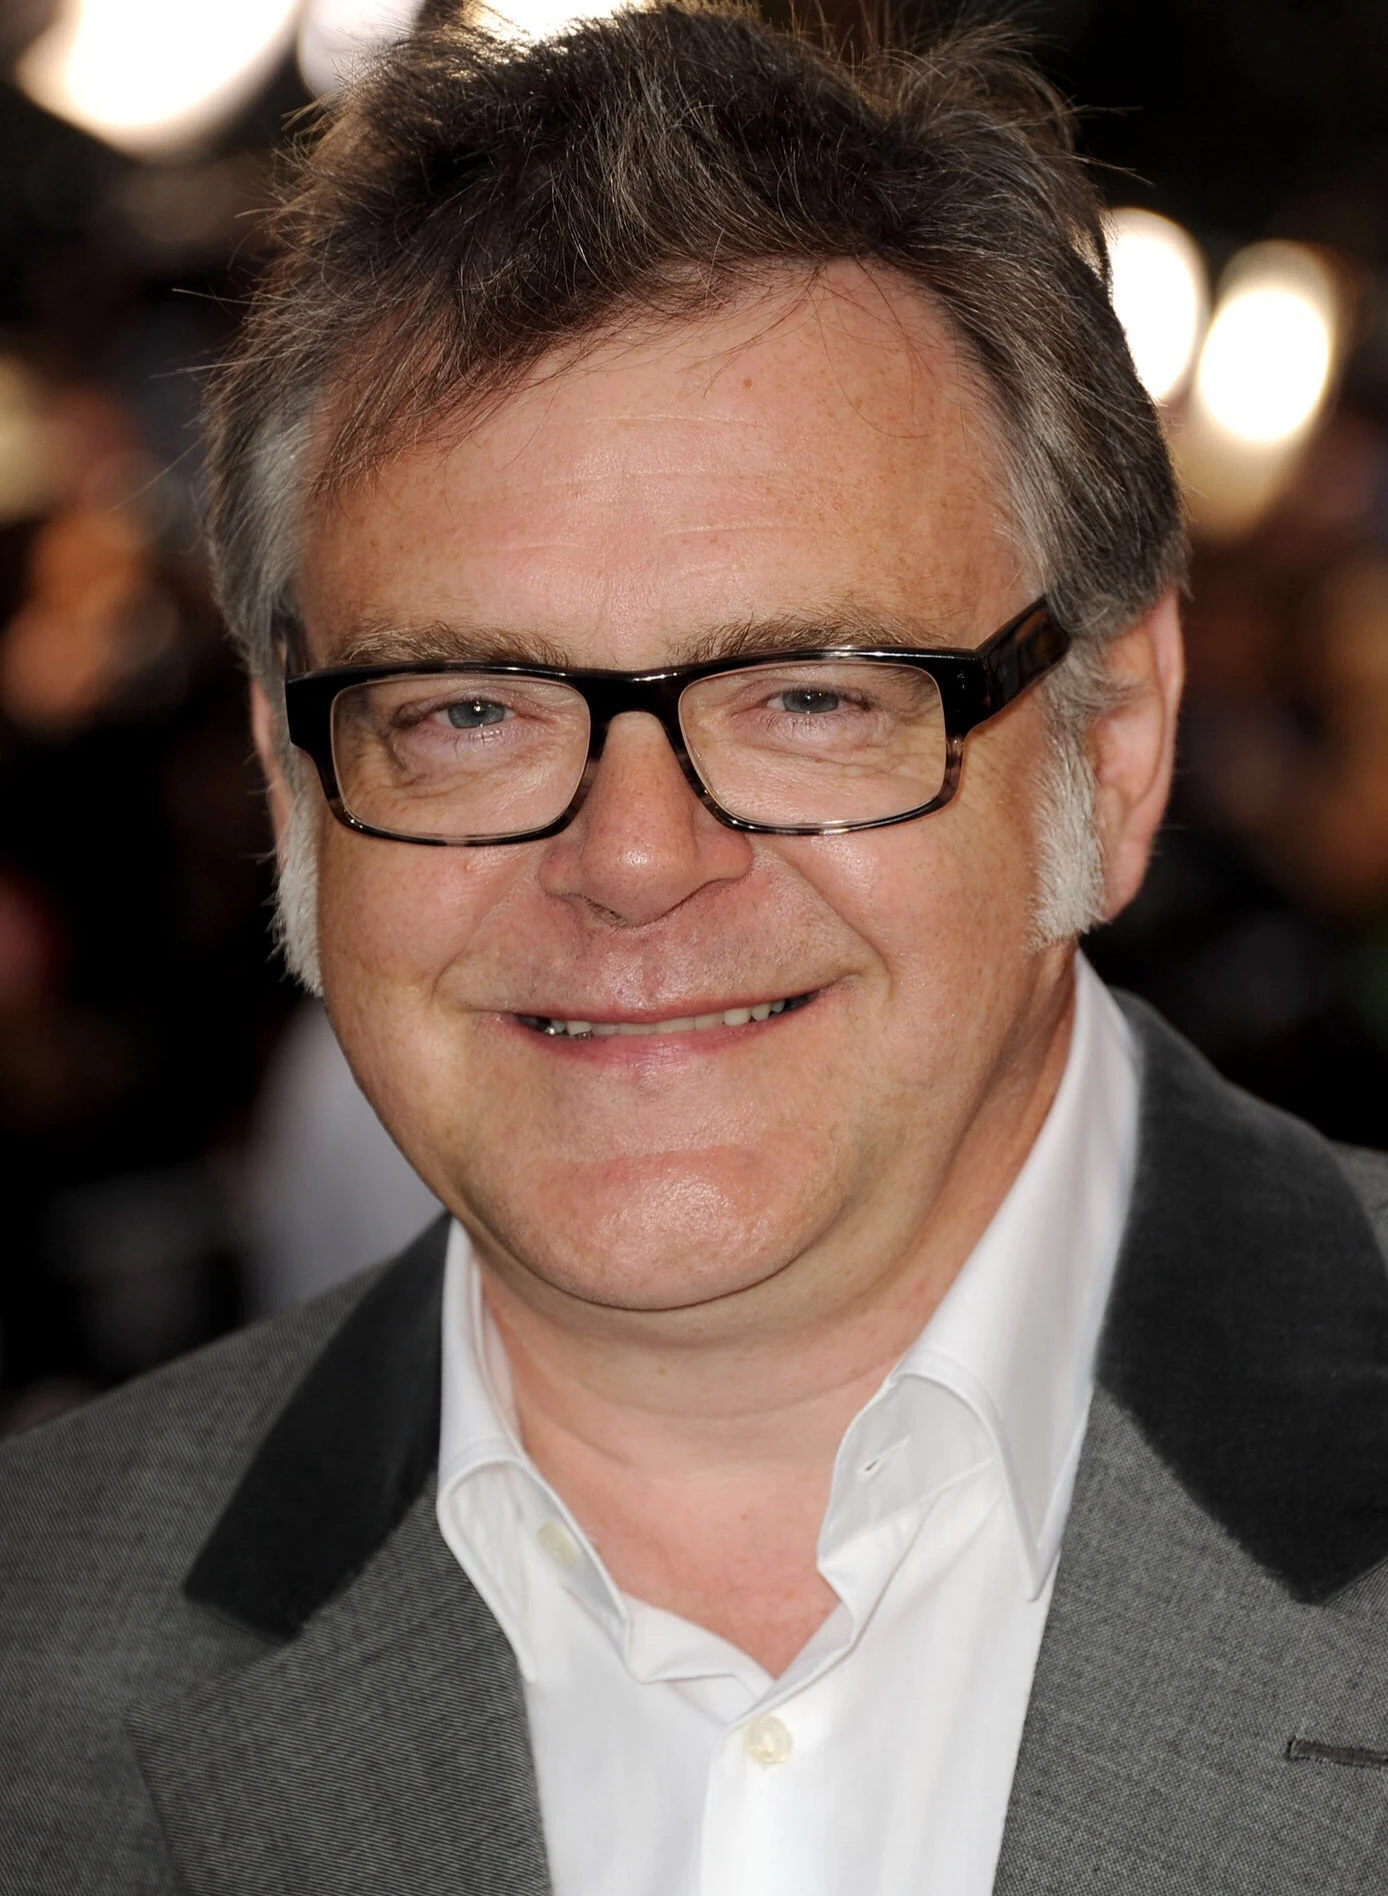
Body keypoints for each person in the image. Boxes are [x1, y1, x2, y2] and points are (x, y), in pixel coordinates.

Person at [4, 7, 1388, 1892]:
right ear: (291, 783)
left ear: (1117, 740)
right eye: (469, 710)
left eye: (811, 696)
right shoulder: (33, 1646)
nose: (636, 858)